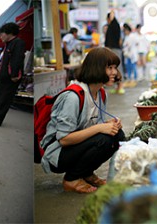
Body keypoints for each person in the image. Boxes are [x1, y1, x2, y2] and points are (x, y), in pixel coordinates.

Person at [40, 47, 124, 193]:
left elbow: (94, 125)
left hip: (76, 148)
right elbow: (64, 139)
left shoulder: (101, 93)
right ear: (96, 67)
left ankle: (86, 173)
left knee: (118, 135)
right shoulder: (73, 97)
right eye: (109, 67)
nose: (114, 72)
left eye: (115, 68)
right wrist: (100, 128)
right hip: (58, 154)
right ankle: (71, 179)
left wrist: (107, 125)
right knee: (103, 139)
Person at [0, 22, 25, 126]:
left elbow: (17, 60)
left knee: (4, 99)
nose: (0, 37)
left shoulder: (18, 43)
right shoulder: (7, 44)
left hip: (10, 78)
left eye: (2, 34)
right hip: (1, 77)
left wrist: (14, 75)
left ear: (9, 33)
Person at [105, 10, 124, 95]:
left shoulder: (115, 25)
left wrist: (112, 13)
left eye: (107, 19)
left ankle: (120, 86)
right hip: (111, 49)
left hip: (115, 49)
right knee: (113, 68)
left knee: (117, 68)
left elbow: (112, 16)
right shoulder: (110, 27)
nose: (107, 21)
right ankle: (117, 87)